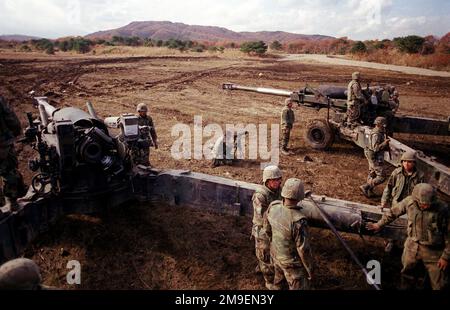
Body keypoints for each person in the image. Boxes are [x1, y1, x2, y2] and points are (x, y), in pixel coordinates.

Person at [367, 183, 449, 290]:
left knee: (439, 284)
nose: (426, 206)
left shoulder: (443, 209)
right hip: (412, 247)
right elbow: (392, 213)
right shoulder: (409, 202)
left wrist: (446, 257)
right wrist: (378, 224)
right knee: (407, 275)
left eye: (429, 204)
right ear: (416, 199)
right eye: (422, 203)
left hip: (434, 251)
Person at [263, 178, 313, 290]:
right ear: (300, 196)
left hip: (276, 256)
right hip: (291, 264)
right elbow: (303, 250)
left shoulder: (273, 206)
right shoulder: (299, 220)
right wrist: (310, 269)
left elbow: (267, 229)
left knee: (278, 282)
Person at [251, 165, 282, 289]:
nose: (278, 182)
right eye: (274, 180)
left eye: (279, 179)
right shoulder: (260, 196)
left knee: (274, 254)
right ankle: (269, 281)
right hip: (263, 230)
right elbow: (262, 218)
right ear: (267, 181)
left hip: (275, 226)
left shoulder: (279, 190)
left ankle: (263, 266)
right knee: (265, 254)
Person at [0, 96, 26, 212]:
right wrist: (16, 131)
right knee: (9, 171)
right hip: (1, 144)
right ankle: (12, 203)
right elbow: (9, 116)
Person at [360, 117, 390, 198]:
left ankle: (369, 190)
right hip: (375, 157)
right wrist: (385, 143)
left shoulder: (378, 131)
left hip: (372, 155)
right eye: (383, 124)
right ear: (380, 124)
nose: (384, 126)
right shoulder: (376, 134)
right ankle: (366, 186)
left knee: (372, 173)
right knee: (382, 176)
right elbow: (375, 148)